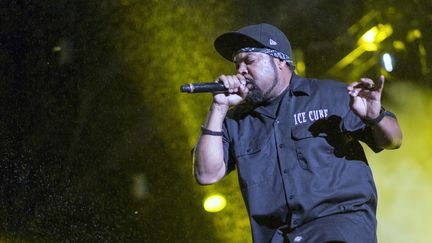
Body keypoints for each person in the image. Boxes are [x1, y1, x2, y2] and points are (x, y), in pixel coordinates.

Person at [193, 23, 402, 243]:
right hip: (278, 237)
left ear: (280, 60)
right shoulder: (235, 121)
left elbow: (394, 140)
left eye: (249, 61)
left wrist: (375, 116)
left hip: (337, 227)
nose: (240, 70)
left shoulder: (329, 95)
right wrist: (218, 107)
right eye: (237, 64)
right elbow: (206, 175)